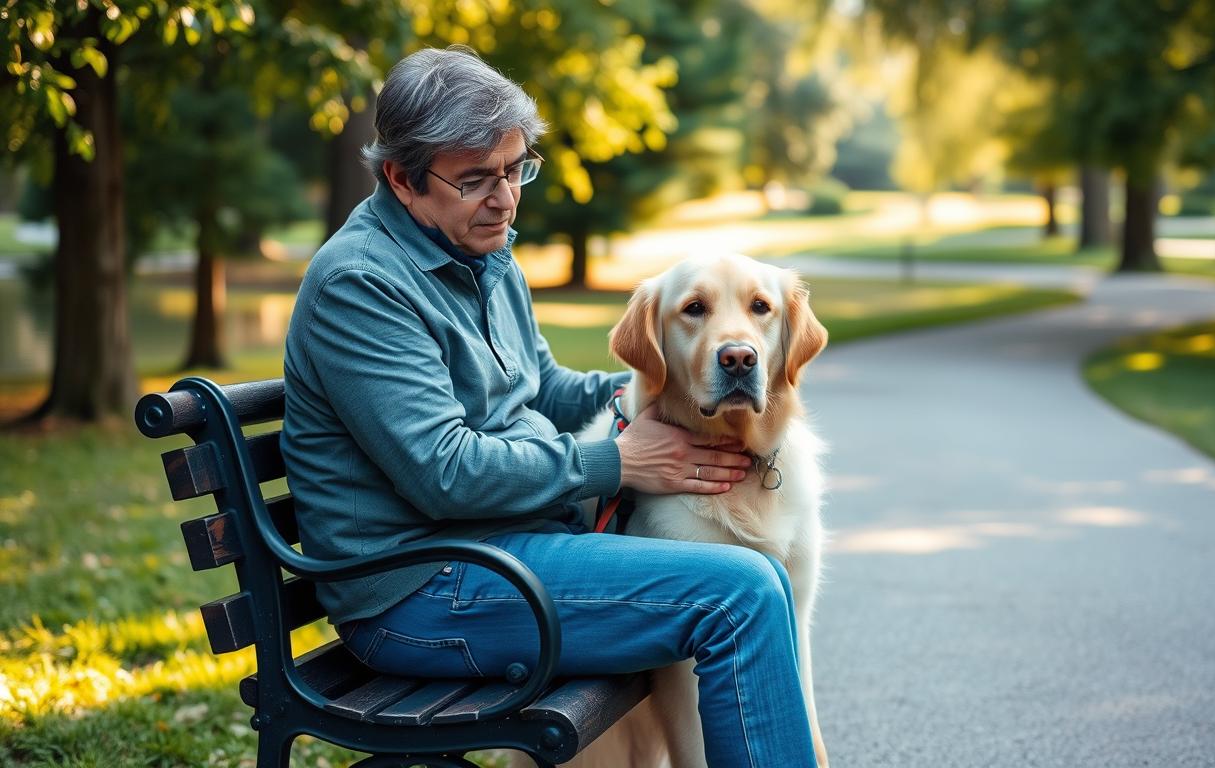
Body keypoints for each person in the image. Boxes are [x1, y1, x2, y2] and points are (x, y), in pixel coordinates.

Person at [280, 45, 817, 767]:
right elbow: (445, 472)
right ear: (402, 179)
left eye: (514, 169)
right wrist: (618, 461)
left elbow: (544, 389)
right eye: (476, 179)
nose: (505, 199)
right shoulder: (360, 285)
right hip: (422, 592)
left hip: (508, 552)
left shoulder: (482, 253)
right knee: (740, 592)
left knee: (757, 580)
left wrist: (670, 390)